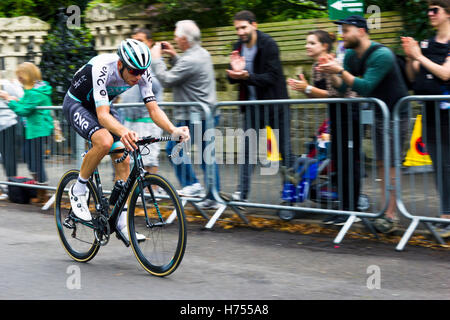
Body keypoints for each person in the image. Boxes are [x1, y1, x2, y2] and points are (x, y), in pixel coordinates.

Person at [62, 39, 189, 242]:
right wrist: (124, 131)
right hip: (78, 105)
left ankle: (121, 222)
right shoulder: (102, 67)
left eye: (142, 72)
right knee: (103, 141)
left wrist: (173, 129)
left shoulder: (141, 72)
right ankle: (78, 190)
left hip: (101, 106)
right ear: (121, 65)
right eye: (133, 72)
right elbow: (103, 116)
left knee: (125, 158)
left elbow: (153, 109)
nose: (138, 77)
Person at [317, 15, 409, 232]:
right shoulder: (350, 54)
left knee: (391, 164)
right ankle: (385, 211)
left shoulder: (382, 55)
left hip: (396, 113)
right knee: (380, 163)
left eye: (346, 30)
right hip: (378, 113)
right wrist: (332, 73)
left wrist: (340, 71)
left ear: (361, 31)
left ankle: (391, 216)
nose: (342, 35)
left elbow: (365, 87)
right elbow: (342, 88)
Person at [287, 30, 359, 225]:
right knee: (337, 161)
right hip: (335, 116)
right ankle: (343, 208)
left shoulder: (332, 61)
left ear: (324, 46)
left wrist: (308, 88)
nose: (306, 46)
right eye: (306, 42)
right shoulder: (315, 66)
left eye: (312, 43)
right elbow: (321, 95)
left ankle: (350, 209)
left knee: (346, 162)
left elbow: (335, 94)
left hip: (349, 114)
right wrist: (305, 89)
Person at [150, 19, 221, 209]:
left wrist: (156, 58)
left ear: (183, 38)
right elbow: (186, 73)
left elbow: (167, 79)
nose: (174, 38)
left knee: (174, 148)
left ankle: (193, 186)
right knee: (207, 157)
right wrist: (173, 57)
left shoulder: (191, 59)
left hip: (196, 116)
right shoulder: (201, 54)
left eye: (176, 35)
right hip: (202, 114)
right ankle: (212, 196)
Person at [227, 10, 294, 201]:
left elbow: (273, 77)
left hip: (275, 106)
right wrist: (234, 73)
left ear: (254, 25)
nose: (240, 32)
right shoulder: (238, 47)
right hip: (252, 107)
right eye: (237, 28)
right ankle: (242, 193)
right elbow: (231, 78)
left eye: (243, 27)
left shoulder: (268, 44)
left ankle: (290, 194)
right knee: (248, 151)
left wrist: (247, 76)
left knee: (284, 150)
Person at [402, 0, 450, 237]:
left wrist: (419, 55)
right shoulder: (427, 44)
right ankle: (446, 216)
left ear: (447, 13)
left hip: (447, 114)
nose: (430, 14)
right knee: (440, 167)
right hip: (430, 114)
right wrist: (411, 58)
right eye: (428, 9)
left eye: (435, 10)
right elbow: (413, 78)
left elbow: (445, 73)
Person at [0, 63, 54, 203]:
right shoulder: (33, 90)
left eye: (21, 76)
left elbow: (24, 110)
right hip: (32, 131)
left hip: (38, 130)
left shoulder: (36, 92)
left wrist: (8, 99)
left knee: (36, 163)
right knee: (28, 158)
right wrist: (14, 99)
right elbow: (25, 103)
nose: (19, 79)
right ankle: (39, 190)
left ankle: (43, 195)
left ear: (28, 75)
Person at [119, 28, 164, 194]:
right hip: (129, 119)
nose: (137, 44)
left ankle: (152, 192)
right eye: (134, 40)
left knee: (150, 158)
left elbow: (158, 85)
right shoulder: (130, 61)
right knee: (132, 159)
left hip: (147, 119)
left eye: (141, 40)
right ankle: (137, 193)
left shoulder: (151, 62)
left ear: (150, 43)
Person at [0, 78, 23, 183]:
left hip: (8, 123)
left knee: (9, 155)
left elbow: (21, 97)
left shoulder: (6, 83)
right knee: (6, 156)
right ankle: (9, 183)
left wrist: (8, 97)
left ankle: (11, 183)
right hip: (4, 124)